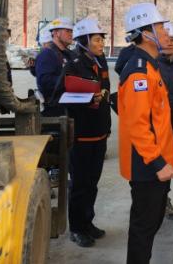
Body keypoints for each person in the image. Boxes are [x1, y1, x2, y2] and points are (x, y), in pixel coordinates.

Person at [118, 3, 173, 264]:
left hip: (156, 162)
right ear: (145, 34)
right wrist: (157, 163)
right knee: (143, 228)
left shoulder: (151, 67)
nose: (166, 32)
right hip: (147, 166)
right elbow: (138, 125)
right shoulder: (139, 73)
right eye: (160, 27)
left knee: (151, 224)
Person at [61, 18, 111, 247]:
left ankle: (88, 222)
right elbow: (59, 96)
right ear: (84, 41)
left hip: (99, 132)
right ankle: (77, 228)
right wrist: (87, 99)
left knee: (92, 182)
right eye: (97, 40)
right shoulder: (73, 65)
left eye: (101, 39)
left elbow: (105, 90)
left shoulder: (101, 62)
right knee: (79, 184)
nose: (101, 44)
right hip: (82, 134)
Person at [158, 22, 173, 220]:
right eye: (167, 39)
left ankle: (163, 199)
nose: (171, 43)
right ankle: (159, 201)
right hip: (160, 125)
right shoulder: (154, 65)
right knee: (160, 163)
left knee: (172, 163)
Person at [35, 17, 74, 116]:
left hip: (68, 107)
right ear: (56, 33)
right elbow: (45, 82)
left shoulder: (69, 54)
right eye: (68, 31)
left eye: (72, 31)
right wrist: (70, 81)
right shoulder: (47, 55)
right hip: (55, 110)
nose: (71, 34)